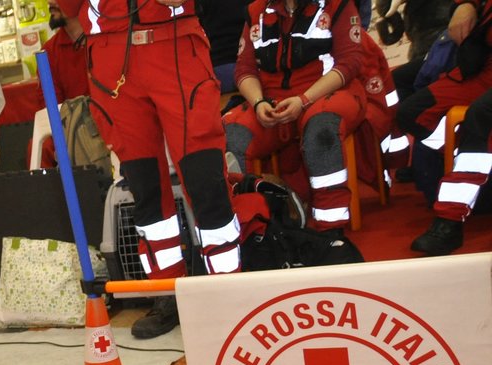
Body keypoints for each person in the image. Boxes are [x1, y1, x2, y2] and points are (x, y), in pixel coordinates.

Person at [59, 0, 244, 338]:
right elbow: (68, 8)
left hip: (175, 46)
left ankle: (227, 293)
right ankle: (167, 293)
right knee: (144, 187)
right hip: (111, 60)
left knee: (206, 180)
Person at [223, 0, 368, 233]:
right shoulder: (256, 10)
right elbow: (245, 69)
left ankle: (330, 229)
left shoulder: (338, 5)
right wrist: (258, 102)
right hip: (273, 101)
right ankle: (254, 227)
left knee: (321, 130)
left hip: (328, 92)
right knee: (231, 134)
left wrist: (304, 100)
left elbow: (350, 62)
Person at [399, 0, 492, 255]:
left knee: (480, 116)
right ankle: (475, 173)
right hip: (483, 66)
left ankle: (449, 221)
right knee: (411, 112)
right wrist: (466, 6)